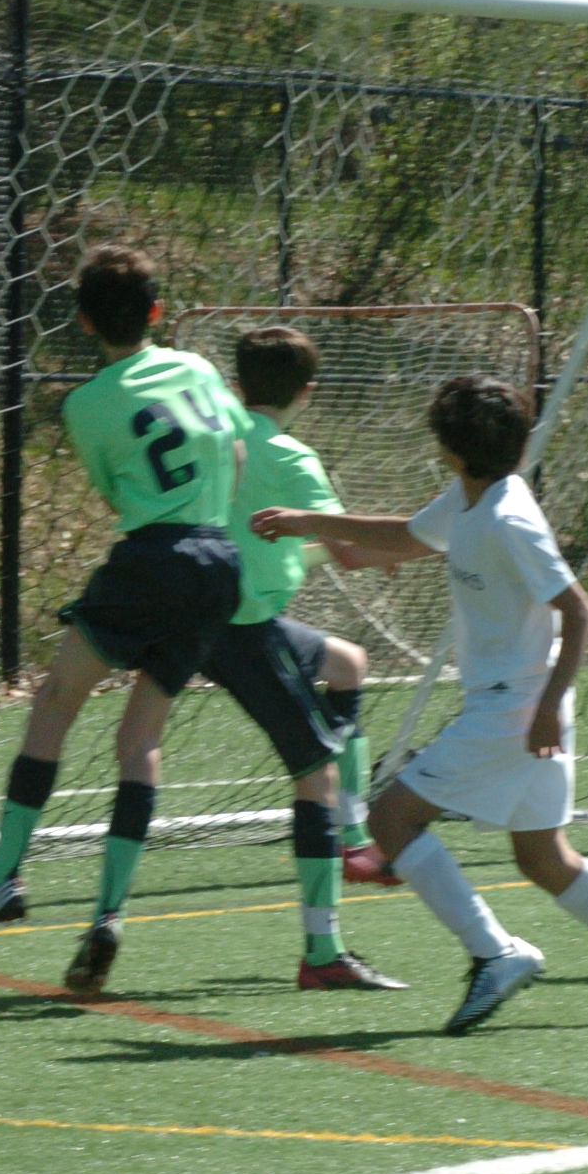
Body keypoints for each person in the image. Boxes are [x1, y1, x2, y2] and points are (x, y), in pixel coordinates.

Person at [253, 376, 588, 1033]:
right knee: (543, 857)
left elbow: (580, 612)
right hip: (521, 707)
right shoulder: (473, 497)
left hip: (514, 712)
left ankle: (495, 952)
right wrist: (310, 523)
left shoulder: (508, 519)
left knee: (391, 819)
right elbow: (408, 537)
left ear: (451, 449)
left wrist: (548, 705)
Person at [0, 246, 246, 995]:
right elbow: (236, 451)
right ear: (158, 312)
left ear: (81, 321)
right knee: (139, 743)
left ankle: (3, 877)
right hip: (219, 561)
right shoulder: (199, 368)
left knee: (55, 701)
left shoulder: (86, 405)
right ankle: (108, 915)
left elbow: (117, 496)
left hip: (154, 556)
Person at [200, 326, 406, 990]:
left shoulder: (218, 429)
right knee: (315, 776)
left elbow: (283, 544)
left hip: (196, 613)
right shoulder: (291, 456)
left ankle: (353, 836)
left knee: (347, 663)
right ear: (307, 393)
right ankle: (324, 952)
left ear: (239, 385)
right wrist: (429, 544)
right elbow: (351, 550)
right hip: (243, 629)